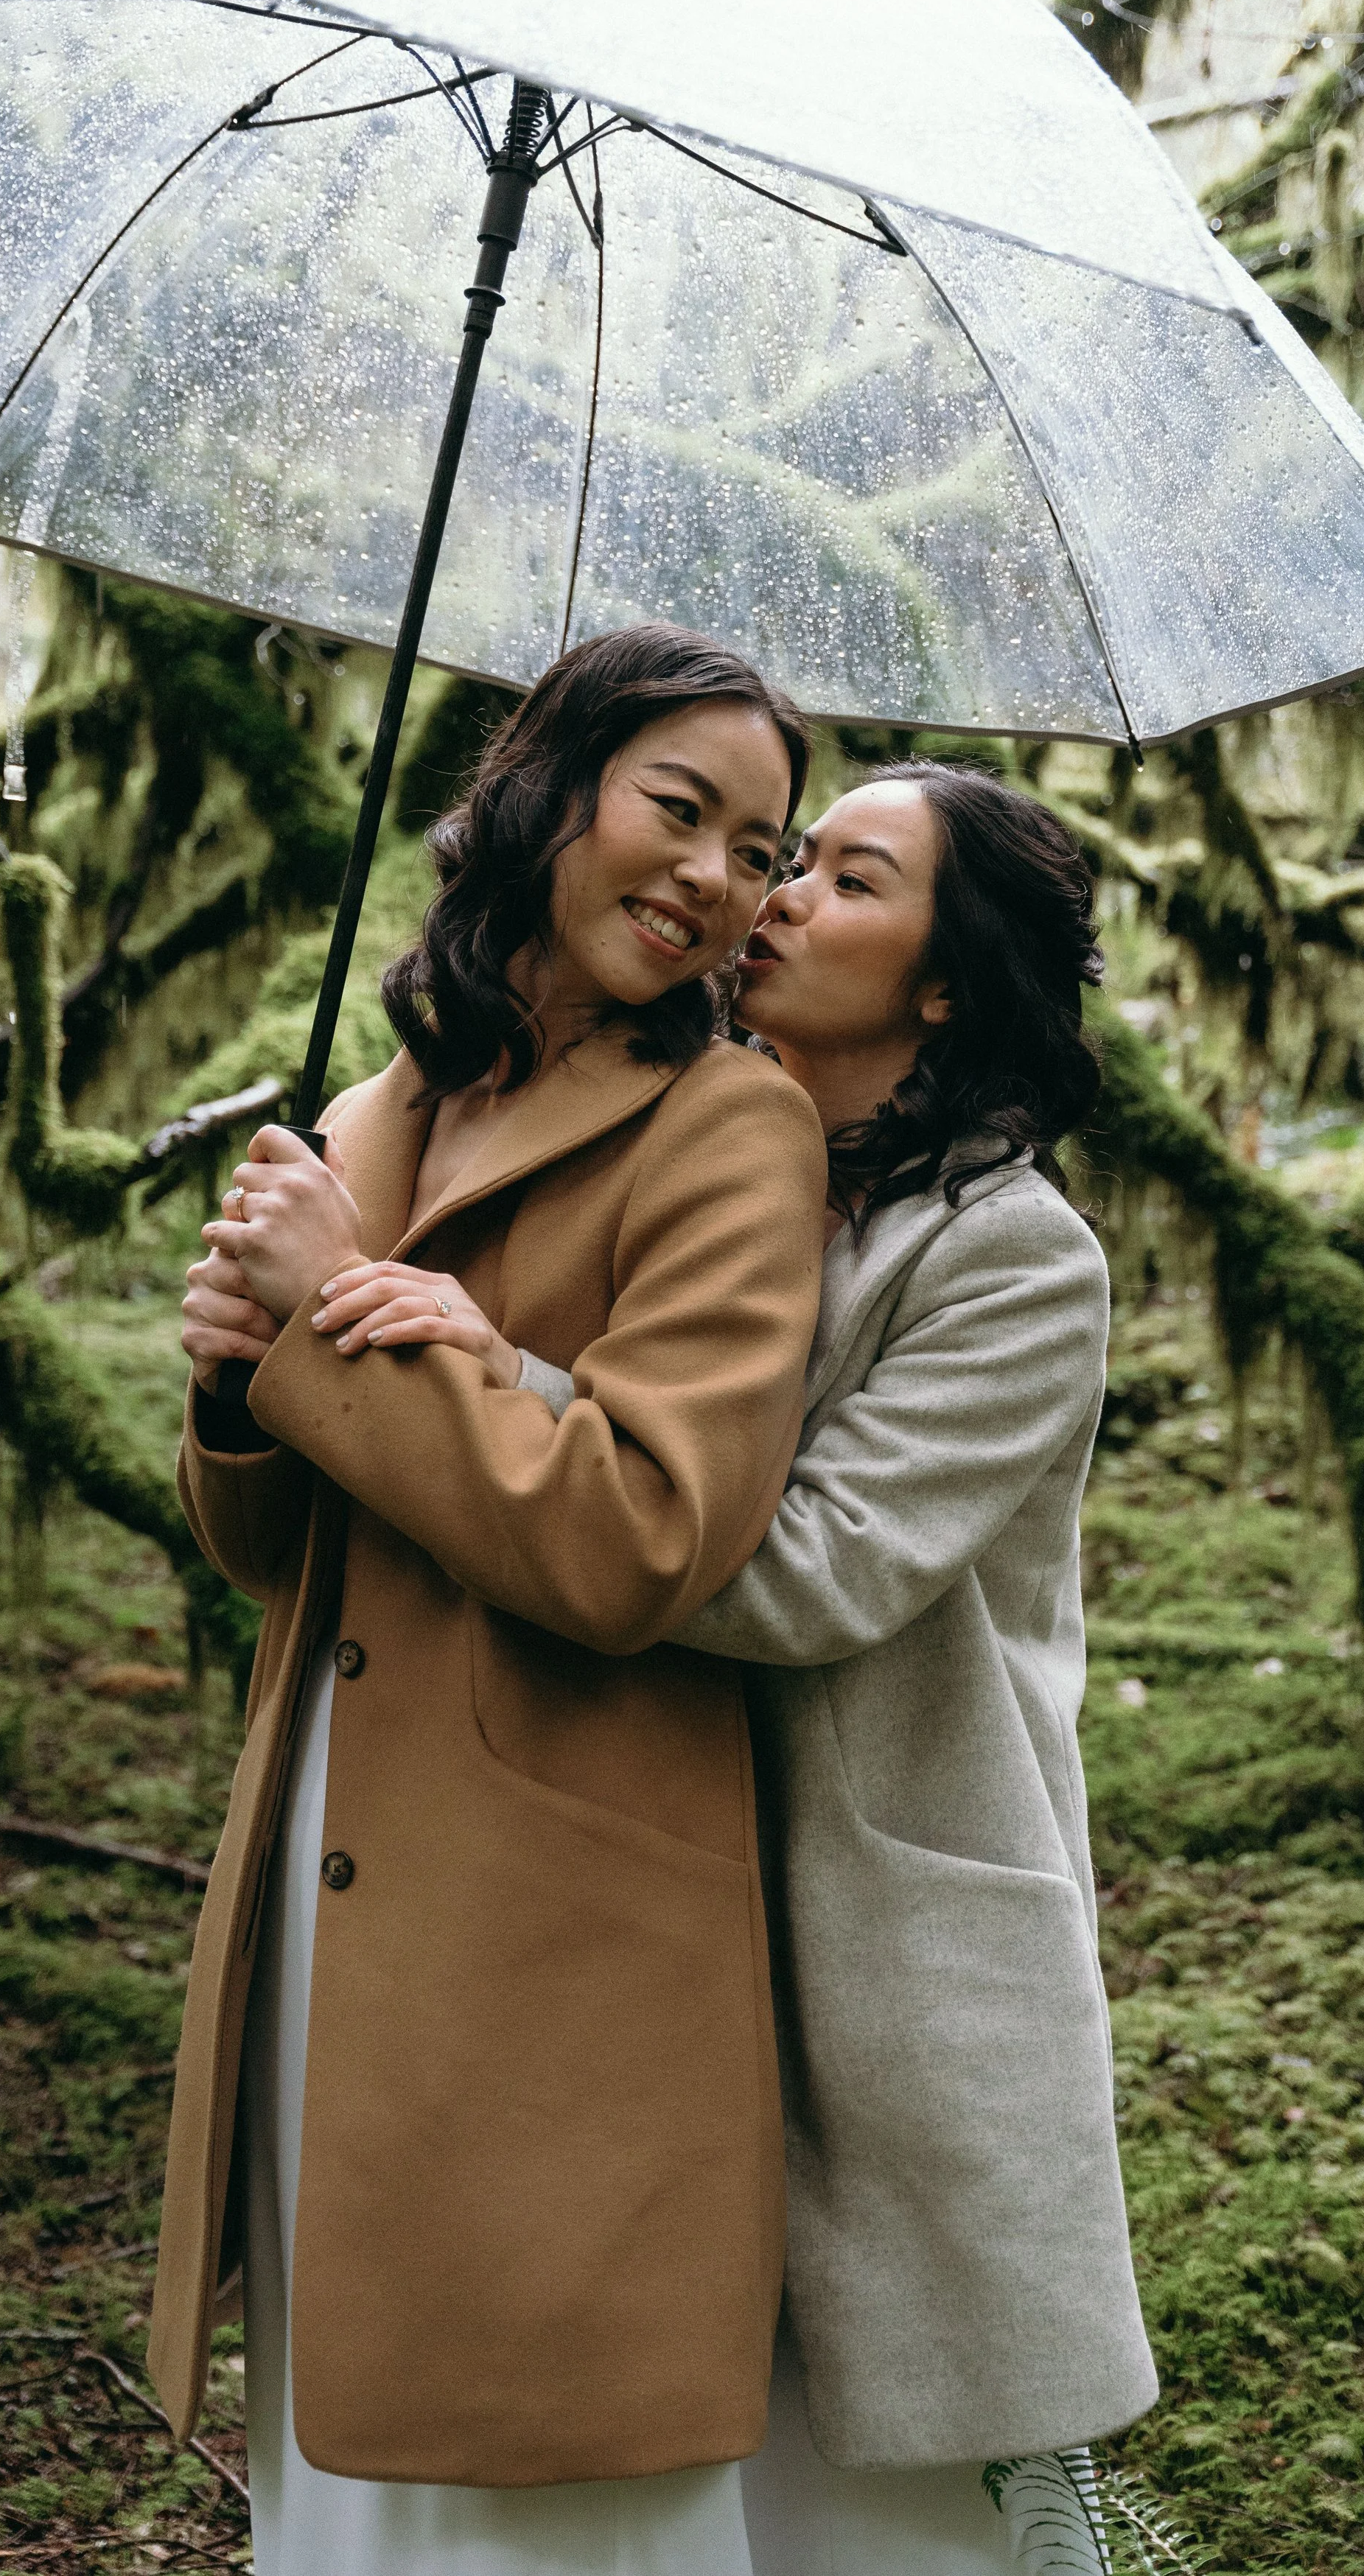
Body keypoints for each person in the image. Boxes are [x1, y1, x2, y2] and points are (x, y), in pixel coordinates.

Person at [326, 759, 1158, 2572]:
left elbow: (797, 1571)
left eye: (843, 880)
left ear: (943, 984)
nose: (768, 898)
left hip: (871, 1911)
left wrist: (500, 1382)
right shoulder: (700, 1147)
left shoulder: (1013, 1257)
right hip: (642, 1880)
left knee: (881, 2496)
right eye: (785, 862)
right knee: (677, 2447)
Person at [150, 626, 830, 2576]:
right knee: (347, 2465)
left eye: (762, 848)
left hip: (552, 1913)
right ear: (551, 791)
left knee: (539, 2484)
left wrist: (331, 1336)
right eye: (676, 808)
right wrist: (235, 1383)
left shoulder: (728, 1124)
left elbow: (638, 1532)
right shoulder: (382, 1105)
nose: (716, 875)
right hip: (333, 1871)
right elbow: (281, 1552)